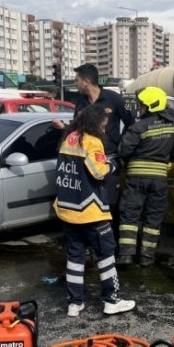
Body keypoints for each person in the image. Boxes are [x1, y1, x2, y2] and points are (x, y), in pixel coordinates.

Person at [53, 104, 135, 318]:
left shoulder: (69, 138)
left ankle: (74, 303)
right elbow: (99, 172)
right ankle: (112, 300)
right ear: (96, 123)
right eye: (104, 124)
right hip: (91, 211)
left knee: (75, 258)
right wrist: (112, 165)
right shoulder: (92, 141)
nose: (105, 127)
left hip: (68, 210)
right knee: (106, 255)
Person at [52, 63, 134, 242]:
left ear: (87, 81)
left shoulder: (114, 99)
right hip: (86, 160)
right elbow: (77, 128)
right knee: (89, 202)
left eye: (77, 80)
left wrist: (122, 144)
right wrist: (64, 128)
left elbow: (132, 123)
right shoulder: (80, 103)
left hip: (109, 159)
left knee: (109, 202)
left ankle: (110, 243)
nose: (75, 84)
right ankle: (91, 242)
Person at [117, 87, 174, 267]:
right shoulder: (172, 124)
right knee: (154, 217)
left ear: (150, 106)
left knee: (130, 217)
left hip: (136, 179)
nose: (139, 108)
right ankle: (147, 257)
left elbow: (123, 150)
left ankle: (126, 255)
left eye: (141, 105)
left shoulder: (138, 126)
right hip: (159, 179)